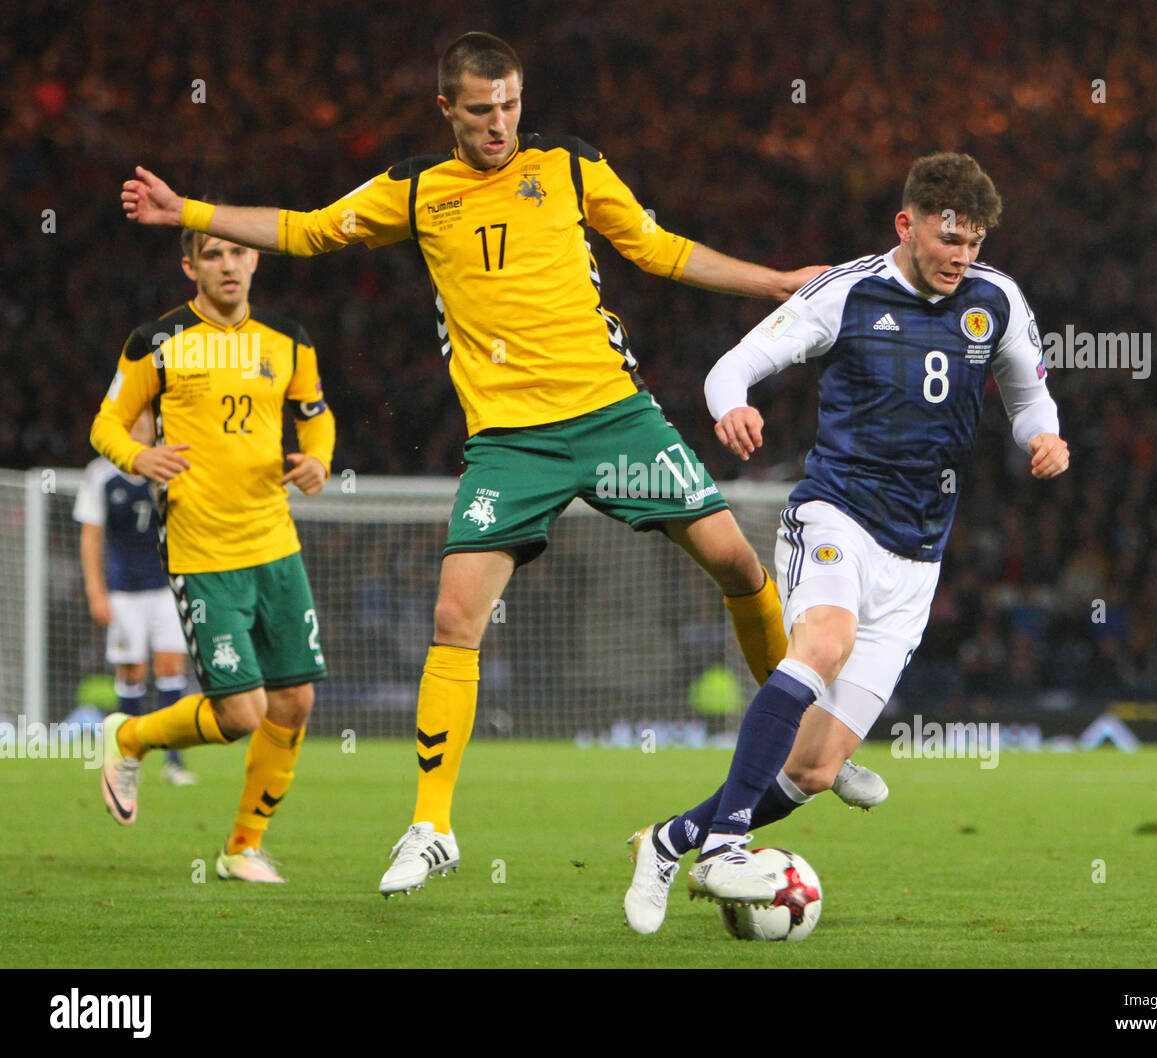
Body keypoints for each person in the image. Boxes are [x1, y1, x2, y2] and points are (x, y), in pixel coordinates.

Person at [121, 30, 852, 898]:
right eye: (480, 109)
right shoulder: (419, 190)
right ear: (447, 109)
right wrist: (191, 213)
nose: (499, 123)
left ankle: (796, 735)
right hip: (511, 443)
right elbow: (309, 231)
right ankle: (431, 828)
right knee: (455, 617)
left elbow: (658, 248)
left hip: (614, 417)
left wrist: (772, 283)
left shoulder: (571, 167)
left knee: (736, 561)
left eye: (509, 104)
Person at [624, 152, 1070, 932]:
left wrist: (1046, 439)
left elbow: (1031, 398)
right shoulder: (848, 291)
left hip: (919, 554)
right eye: (948, 239)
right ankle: (726, 845)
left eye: (973, 242)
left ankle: (671, 840)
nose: (961, 257)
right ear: (908, 224)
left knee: (814, 769)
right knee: (824, 641)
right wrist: (732, 407)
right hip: (837, 516)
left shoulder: (996, 300)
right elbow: (734, 365)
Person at [90, 224, 335, 884]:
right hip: (202, 553)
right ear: (189, 265)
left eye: (237, 252)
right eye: (213, 254)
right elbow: (105, 423)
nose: (228, 264)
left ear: (255, 259)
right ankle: (129, 737)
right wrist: (139, 455)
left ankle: (241, 848)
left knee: (296, 703)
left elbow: (315, 413)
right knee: (240, 714)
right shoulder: (158, 341)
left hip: (276, 546)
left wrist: (319, 459)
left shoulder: (289, 338)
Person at [75, 411, 197, 786]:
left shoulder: (170, 470)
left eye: (145, 425)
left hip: (165, 588)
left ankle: (173, 762)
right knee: (131, 671)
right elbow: (91, 536)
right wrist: (96, 591)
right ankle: (128, 758)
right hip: (123, 591)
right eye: (132, 426)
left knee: (171, 668)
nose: (139, 432)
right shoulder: (101, 474)